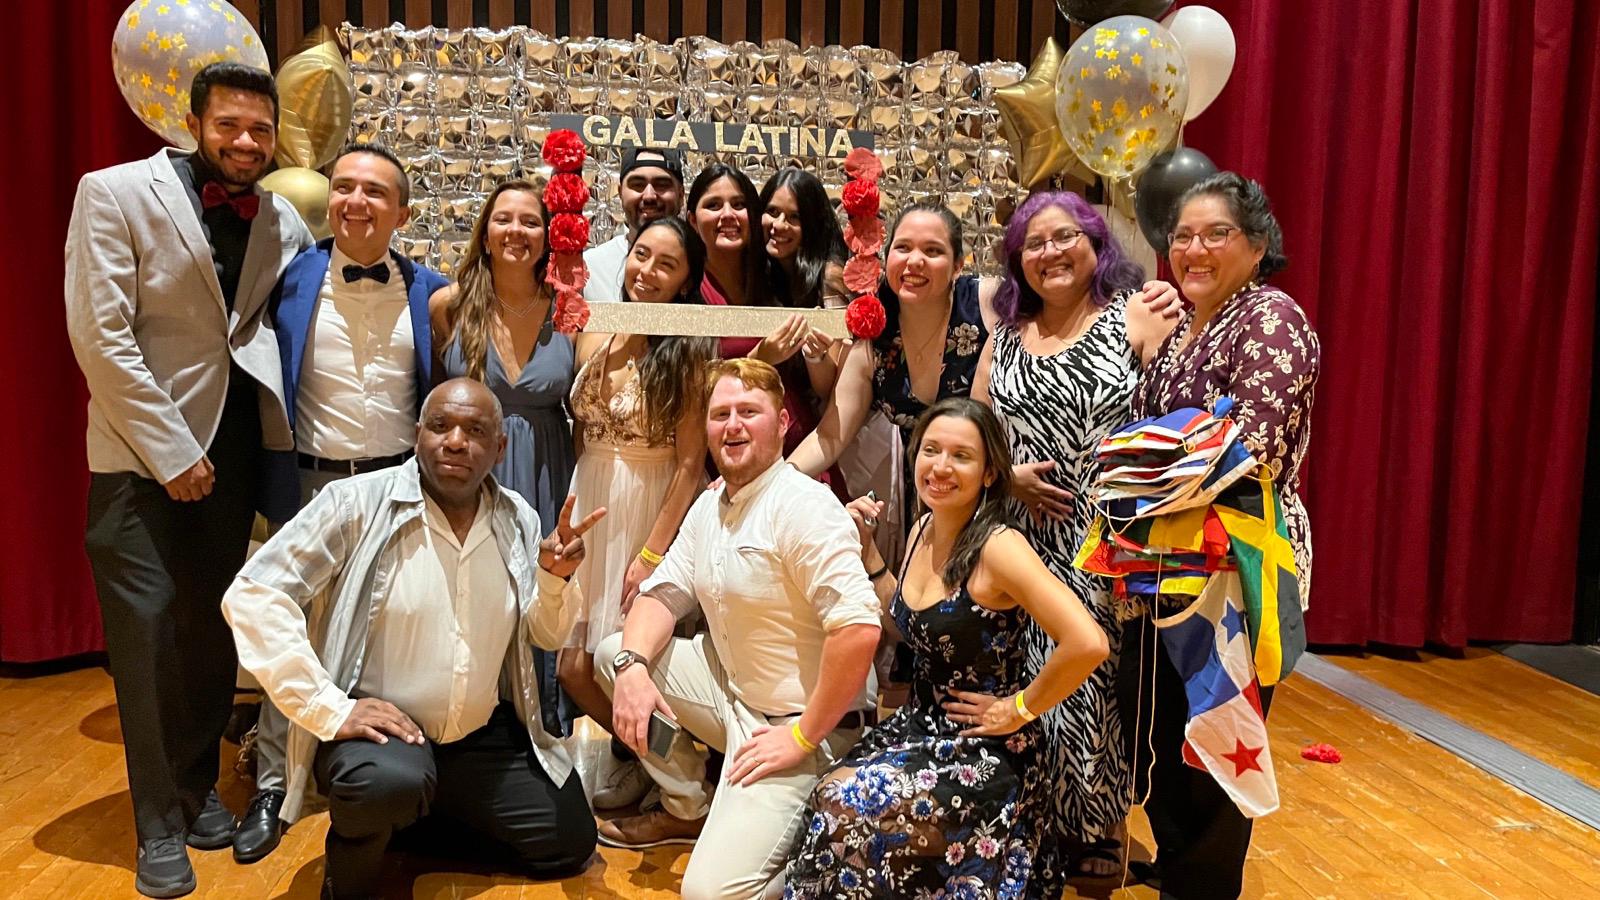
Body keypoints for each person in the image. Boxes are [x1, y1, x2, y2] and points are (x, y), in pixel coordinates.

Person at [64, 61, 314, 898]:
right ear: (192, 122)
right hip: (142, 459)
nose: (245, 142)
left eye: (259, 128)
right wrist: (171, 451)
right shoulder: (113, 192)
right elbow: (102, 337)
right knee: (147, 640)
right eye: (229, 125)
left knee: (213, 634)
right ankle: (157, 825)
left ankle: (200, 786)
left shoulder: (282, 216)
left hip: (236, 453)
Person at [221, 378, 602, 900]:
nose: (455, 441)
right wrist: (329, 707)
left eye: (475, 430)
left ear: (500, 447)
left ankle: (406, 825)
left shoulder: (518, 517)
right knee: (386, 784)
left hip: (478, 736)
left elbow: (543, 632)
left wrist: (556, 581)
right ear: (417, 433)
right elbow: (255, 591)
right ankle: (352, 872)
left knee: (570, 842)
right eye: (440, 426)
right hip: (383, 736)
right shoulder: (355, 503)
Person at [784, 397, 1111, 898]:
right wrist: (869, 551)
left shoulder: (999, 547)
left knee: (843, 805)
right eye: (930, 450)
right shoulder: (923, 529)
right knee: (828, 793)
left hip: (988, 749)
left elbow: (1088, 642)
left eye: (961, 455)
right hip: (923, 725)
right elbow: (910, 622)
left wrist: (1019, 708)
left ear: (988, 474)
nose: (940, 466)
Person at [594, 358, 882, 900]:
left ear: (782, 424)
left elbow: (860, 628)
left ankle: (834, 842)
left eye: (749, 413)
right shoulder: (709, 506)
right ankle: (690, 804)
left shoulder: (803, 506)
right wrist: (632, 670)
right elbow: (660, 595)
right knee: (615, 652)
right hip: (734, 696)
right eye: (720, 414)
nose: (732, 426)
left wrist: (801, 737)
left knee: (710, 895)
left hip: (806, 728)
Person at [242, 142, 449, 865]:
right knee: (287, 630)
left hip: (394, 486)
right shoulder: (286, 279)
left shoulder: (432, 291)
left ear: (404, 212)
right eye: (344, 188)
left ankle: (374, 770)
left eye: (374, 192)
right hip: (306, 484)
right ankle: (272, 783)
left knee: (387, 633)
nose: (355, 202)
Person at [1117, 172, 1319, 898]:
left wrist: (1138, 468)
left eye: (1215, 234)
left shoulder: (1271, 318)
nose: (1193, 249)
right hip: (1165, 558)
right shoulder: (1182, 332)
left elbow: (1250, 448)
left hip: (1235, 559)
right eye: (1180, 236)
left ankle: (1203, 885)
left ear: (1257, 245)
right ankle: (1178, 867)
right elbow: (1133, 432)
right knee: (1169, 727)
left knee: (1217, 732)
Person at [971, 191, 1180, 879]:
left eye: (1065, 238)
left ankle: (1098, 827)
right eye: (1033, 243)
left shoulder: (1135, 318)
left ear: (1096, 245)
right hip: (1017, 536)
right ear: (1016, 261)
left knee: (1091, 684)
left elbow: (1173, 420)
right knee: (1022, 674)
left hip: (1106, 541)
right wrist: (1008, 479)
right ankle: (1033, 816)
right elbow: (969, 435)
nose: (1050, 252)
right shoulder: (1002, 340)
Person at [558, 217, 718, 810]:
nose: (645, 272)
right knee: (573, 666)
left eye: (665, 264)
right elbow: (582, 431)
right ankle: (655, 760)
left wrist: (651, 554)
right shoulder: (597, 328)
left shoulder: (687, 350)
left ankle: (674, 776)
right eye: (640, 255)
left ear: (685, 282)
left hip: (650, 506)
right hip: (592, 498)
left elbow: (688, 464)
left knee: (624, 656)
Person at [432, 178, 578, 742]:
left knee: (539, 592)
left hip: (546, 468)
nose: (517, 231)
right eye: (504, 220)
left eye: (530, 221)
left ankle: (538, 719)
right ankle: (473, 720)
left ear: (549, 237)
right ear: (485, 233)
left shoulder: (569, 311)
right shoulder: (448, 306)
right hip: (472, 475)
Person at [687, 164, 845, 494]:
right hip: (734, 446)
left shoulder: (773, 277)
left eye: (739, 204)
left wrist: (814, 355)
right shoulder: (688, 286)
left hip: (800, 443)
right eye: (714, 205)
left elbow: (828, 383)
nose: (728, 215)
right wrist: (762, 357)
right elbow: (688, 387)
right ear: (691, 218)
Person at [583, 147, 687, 303]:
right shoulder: (589, 268)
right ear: (620, 193)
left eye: (661, 184)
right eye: (638, 185)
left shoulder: (700, 266)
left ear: (681, 196)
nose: (649, 196)